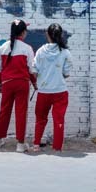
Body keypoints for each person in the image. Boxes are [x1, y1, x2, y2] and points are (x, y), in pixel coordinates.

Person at [0, 19, 37, 152]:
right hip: (22, 84)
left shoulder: (3, 48)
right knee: (21, 112)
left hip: (7, 83)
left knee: (4, 110)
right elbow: (31, 70)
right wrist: (35, 83)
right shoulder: (27, 48)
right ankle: (20, 144)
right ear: (23, 32)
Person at [32, 23, 72, 153]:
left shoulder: (40, 51)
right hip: (60, 91)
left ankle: (36, 145)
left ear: (47, 34)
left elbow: (34, 71)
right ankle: (57, 147)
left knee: (40, 119)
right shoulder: (65, 52)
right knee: (59, 120)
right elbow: (66, 74)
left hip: (43, 92)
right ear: (60, 35)